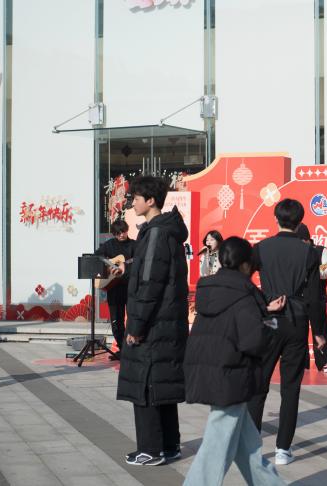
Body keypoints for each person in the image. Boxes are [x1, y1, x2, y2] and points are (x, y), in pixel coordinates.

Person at [183, 237, 286, 486]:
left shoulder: (210, 289)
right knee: (216, 445)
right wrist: (271, 325)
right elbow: (253, 341)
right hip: (231, 376)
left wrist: (263, 312)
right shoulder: (244, 295)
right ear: (245, 264)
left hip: (208, 370)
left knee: (248, 448)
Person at [115, 176, 189, 467]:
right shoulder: (165, 231)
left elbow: (149, 285)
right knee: (162, 387)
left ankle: (150, 450)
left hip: (153, 327)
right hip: (166, 325)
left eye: (136, 198)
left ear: (151, 201)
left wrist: (135, 327)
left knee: (145, 386)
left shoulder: (156, 233)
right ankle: (169, 446)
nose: (132, 203)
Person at [247, 199, 326, 466]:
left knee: (258, 384)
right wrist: (319, 331)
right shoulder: (310, 253)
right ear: (300, 221)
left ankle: (252, 448)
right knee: (290, 388)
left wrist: (262, 303)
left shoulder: (260, 248)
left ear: (276, 218)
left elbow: (242, 281)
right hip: (297, 321)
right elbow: (314, 296)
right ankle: (283, 449)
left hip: (270, 320)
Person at [296, 223, 327, 373]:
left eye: (301, 240)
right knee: (299, 330)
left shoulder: (320, 250)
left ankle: (325, 361)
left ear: (307, 239)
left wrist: (313, 271)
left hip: (316, 295)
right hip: (297, 297)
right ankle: (301, 362)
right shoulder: (294, 252)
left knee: (320, 328)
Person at [95, 219, 135, 360]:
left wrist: (126, 265)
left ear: (127, 230)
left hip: (130, 288)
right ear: (114, 234)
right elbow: (97, 256)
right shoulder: (109, 244)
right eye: (118, 233)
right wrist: (109, 265)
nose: (121, 235)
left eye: (123, 232)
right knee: (116, 321)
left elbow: (141, 260)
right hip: (114, 288)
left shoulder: (134, 245)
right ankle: (122, 349)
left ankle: (131, 350)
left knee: (132, 319)